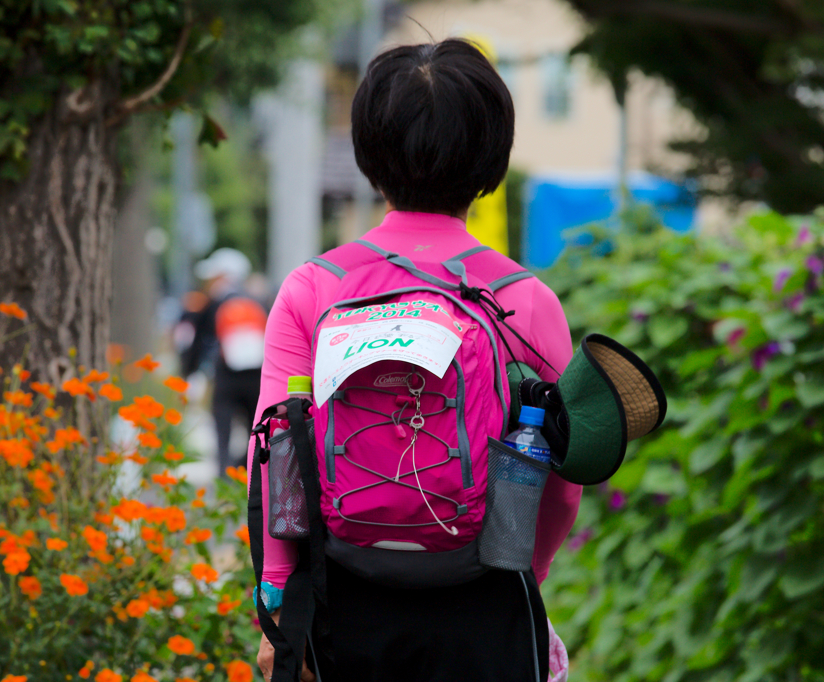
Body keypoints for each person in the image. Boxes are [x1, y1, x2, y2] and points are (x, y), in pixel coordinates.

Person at [249, 40, 582, 682]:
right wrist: (524, 575)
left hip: (338, 604)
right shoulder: (524, 301)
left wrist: (277, 599)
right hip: (486, 599)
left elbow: (273, 457)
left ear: (370, 154)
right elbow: (564, 481)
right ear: (493, 157)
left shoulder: (312, 289)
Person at [175, 247, 267, 474]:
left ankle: (224, 476)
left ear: (223, 276)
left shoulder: (214, 302)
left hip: (226, 376)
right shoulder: (257, 300)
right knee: (254, 428)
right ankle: (251, 476)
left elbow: (198, 342)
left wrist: (188, 372)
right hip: (257, 377)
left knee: (223, 429)